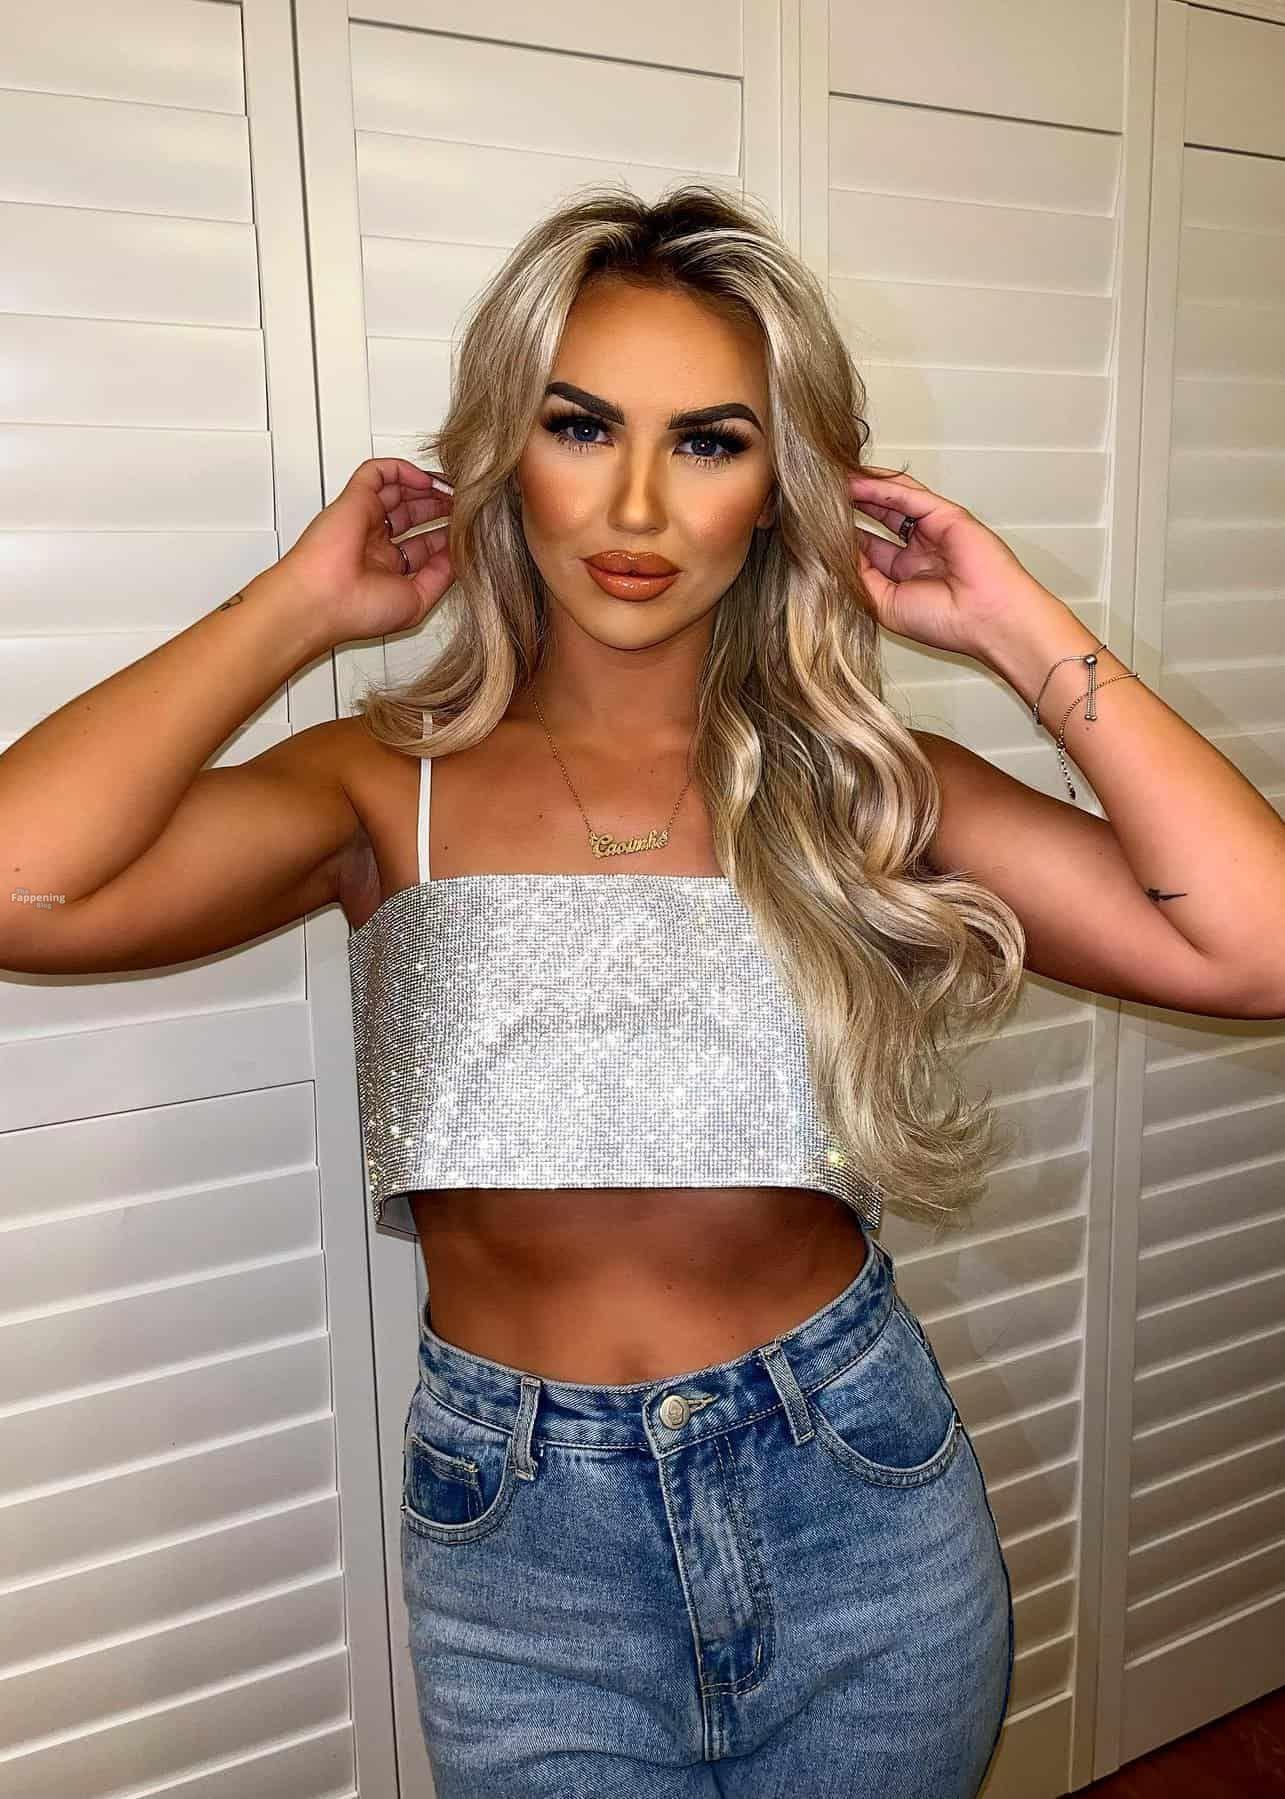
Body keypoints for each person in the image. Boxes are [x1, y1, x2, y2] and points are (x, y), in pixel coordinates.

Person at [4, 182, 1283, 1798]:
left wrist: (1016, 626)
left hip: (855, 1496)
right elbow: (23, 882)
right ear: (504, 452)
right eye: (579, 424)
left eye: (708, 442)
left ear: (779, 487)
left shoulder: (867, 784)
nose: (633, 503)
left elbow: (1255, 949)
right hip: (522, 1547)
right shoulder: (377, 787)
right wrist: (300, 609)